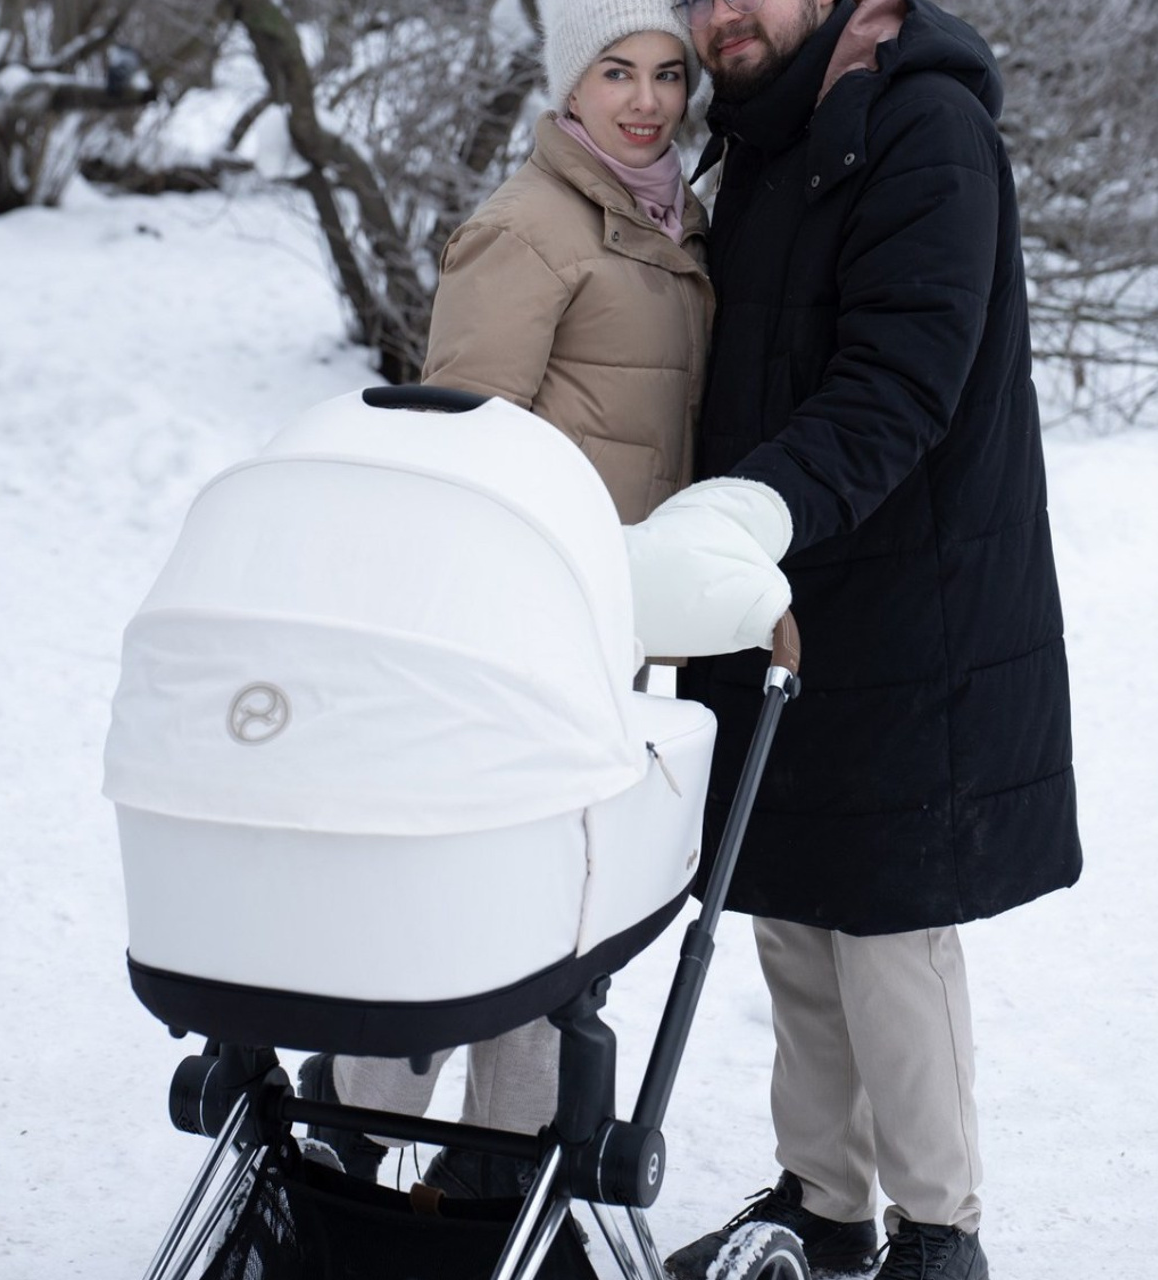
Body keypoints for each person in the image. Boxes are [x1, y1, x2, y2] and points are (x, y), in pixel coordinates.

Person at [620, 0, 1082, 1277]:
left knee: (886, 929)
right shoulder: (763, 134)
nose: (723, 15)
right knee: (792, 911)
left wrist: (748, 508)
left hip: (907, 601)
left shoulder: (920, 128)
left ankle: (939, 1235)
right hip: (777, 602)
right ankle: (821, 1202)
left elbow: (899, 380)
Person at [297, 0, 714, 1200]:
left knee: (556, 917)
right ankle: (348, 1128)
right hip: (508, 629)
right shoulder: (528, 228)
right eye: (614, 72)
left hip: (602, 626)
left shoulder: (662, 218)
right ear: (566, 86)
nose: (644, 100)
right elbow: (456, 451)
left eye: (666, 74)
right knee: (476, 910)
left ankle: (495, 1183)